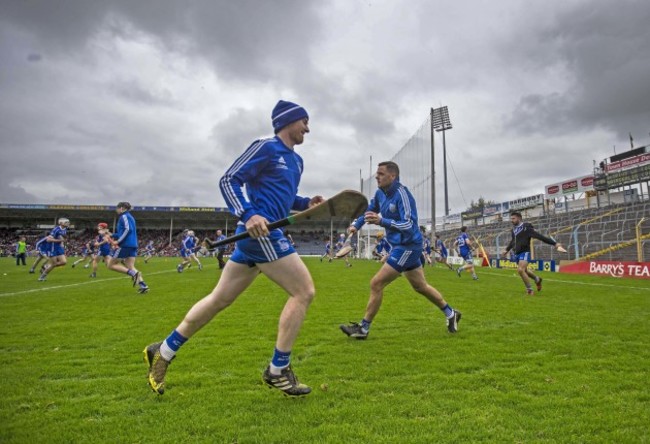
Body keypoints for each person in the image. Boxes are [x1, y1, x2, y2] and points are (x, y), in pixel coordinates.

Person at [143, 100, 323, 397]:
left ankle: (163, 350)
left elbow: (284, 197)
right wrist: (248, 213)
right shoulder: (265, 147)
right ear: (288, 122)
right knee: (304, 292)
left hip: (258, 238)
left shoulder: (297, 161)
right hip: (260, 234)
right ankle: (278, 370)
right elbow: (228, 179)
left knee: (218, 300)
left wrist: (306, 203)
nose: (308, 128)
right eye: (304, 121)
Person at [340, 161, 462, 339]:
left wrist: (382, 221)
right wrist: (356, 225)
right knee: (421, 287)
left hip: (408, 246)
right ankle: (451, 313)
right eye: (377, 174)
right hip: (400, 246)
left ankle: (363, 329)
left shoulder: (403, 195)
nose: (376, 177)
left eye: (381, 174)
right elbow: (369, 210)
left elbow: (409, 224)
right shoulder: (380, 193)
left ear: (392, 176)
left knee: (376, 283)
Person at [503, 211, 564, 295]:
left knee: (520, 270)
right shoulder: (513, 230)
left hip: (525, 252)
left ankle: (529, 290)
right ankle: (537, 279)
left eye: (513, 218)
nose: (511, 220)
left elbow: (540, 237)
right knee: (525, 271)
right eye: (511, 219)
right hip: (517, 253)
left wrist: (555, 244)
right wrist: (507, 249)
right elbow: (513, 241)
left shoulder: (526, 228)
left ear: (519, 218)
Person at [106, 202, 149, 293]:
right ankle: (143, 285)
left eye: (117, 208)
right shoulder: (130, 217)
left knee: (111, 265)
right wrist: (111, 234)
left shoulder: (124, 216)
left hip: (125, 244)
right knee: (130, 266)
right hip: (132, 244)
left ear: (121, 208)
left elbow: (128, 230)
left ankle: (133, 274)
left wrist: (118, 241)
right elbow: (124, 232)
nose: (116, 210)